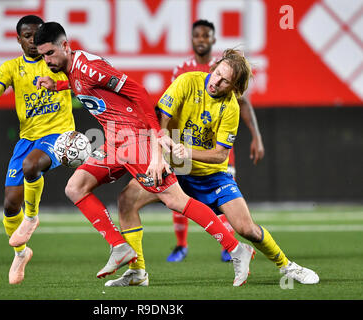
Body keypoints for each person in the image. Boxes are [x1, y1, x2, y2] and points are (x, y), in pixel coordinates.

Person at [34, 22, 256, 286]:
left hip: (135, 138)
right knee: (78, 188)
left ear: (65, 47)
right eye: (42, 55)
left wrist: (157, 138)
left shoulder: (89, 67)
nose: (46, 60)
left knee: (176, 201)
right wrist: (58, 87)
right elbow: (87, 87)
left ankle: (236, 248)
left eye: (49, 53)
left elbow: (137, 91)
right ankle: (129, 260)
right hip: (116, 141)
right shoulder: (74, 69)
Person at [105, 49, 320, 287]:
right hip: (176, 168)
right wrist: (158, 158)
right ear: (213, 67)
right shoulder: (187, 81)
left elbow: (220, 155)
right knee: (127, 200)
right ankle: (138, 272)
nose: (216, 82)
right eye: (217, 73)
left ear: (235, 88)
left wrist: (187, 151)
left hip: (212, 177)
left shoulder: (230, 108)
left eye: (224, 80)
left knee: (246, 228)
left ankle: (287, 266)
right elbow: (160, 121)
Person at [0, 15, 76, 285]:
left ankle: (32, 218)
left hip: (58, 134)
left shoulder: (55, 60)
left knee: (31, 166)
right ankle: (21, 253)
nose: (33, 40)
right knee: (10, 204)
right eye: (27, 36)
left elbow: (80, 82)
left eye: (37, 35)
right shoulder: (11, 67)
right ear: (18, 39)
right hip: (27, 139)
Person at [165, 19, 265, 263]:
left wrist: (256, 137)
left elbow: (243, 103)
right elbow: (172, 106)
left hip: (213, 145)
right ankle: (181, 245)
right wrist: (167, 140)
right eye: (197, 36)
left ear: (213, 40)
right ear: (192, 39)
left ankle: (227, 245)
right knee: (177, 194)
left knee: (219, 197)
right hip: (184, 139)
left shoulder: (227, 68)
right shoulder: (182, 69)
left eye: (206, 35)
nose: (201, 40)